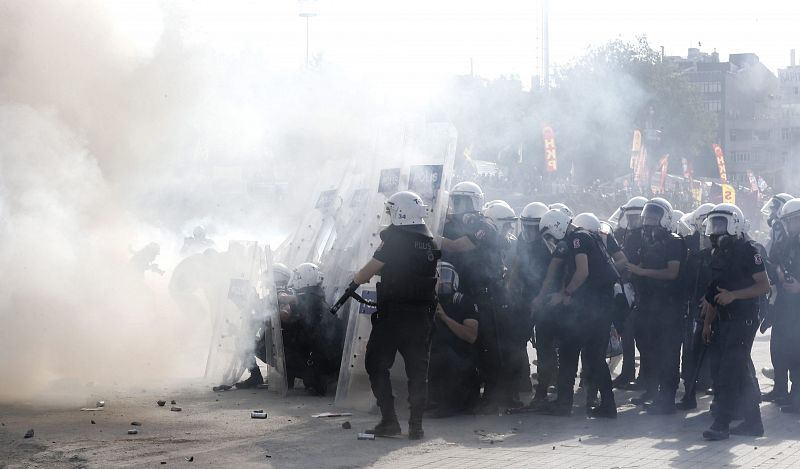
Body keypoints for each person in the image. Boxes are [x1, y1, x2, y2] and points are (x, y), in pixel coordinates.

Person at [352, 191, 440, 440]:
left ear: (401, 213)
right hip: (422, 316)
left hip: (394, 317)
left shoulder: (394, 240)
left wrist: (355, 278)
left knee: (375, 364)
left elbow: (367, 271)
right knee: (417, 373)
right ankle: (416, 425)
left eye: (391, 211)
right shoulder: (430, 241)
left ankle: (390, 421)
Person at [530, 209, 620, 418]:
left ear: (557, 226)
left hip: (591, 307)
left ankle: (563, 404)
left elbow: (582, 272)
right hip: (601, 306)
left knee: (570, 352)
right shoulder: (587, 236)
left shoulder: (577, 239)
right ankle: (608, 405)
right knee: (595, 356)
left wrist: (564, 294)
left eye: (550, 235)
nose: (551, 240)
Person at [440, 182, 513, 412]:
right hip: (468, 293)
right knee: (472, 347)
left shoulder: (485, 225)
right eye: (456, 201)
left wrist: (429, 233)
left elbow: (457, 246)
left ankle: (499, 396)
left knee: (491, 346)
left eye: (464, 201)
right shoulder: (456, 224)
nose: (459, 206)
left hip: (488, 296)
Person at [701, 204, 769, 440]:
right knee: (739, 372)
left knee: (729, 371)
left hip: (744, 319)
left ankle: (721, 424)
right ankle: (753, 423)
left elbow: (763, 285)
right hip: (724, 320)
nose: (716, 230)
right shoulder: (718, 254)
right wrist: (708, 323)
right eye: (714, 224)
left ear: (734, 225)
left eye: (721, 224)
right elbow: (713, 292)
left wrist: (735, 296)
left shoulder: (749, 250)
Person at [626, 198, 686, 414]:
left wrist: (642, 272)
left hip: (669, 306)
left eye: (654, 217)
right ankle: (652, 391)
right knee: (647, 346)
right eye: (647, 217)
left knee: (668, 352)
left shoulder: (674, 241)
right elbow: (644, 263)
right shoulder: (646, 240)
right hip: (648, 303)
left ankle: (667, 398)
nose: (649, 222)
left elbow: (672, 272)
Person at [511, 202, 554, 404]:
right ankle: (521, 382)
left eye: (533, 227)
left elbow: (554, 274)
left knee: (545, 345)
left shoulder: (550, 243)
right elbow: (518, 264)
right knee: (518, 339)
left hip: (545, 299)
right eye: (526, 226)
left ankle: (544, 388)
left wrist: (542, 297)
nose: (528, 231)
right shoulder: (522, 240)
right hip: (525, 296)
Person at [427, 262, 480, 417]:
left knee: (444, 354)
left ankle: (454, 404)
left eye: (446, 277)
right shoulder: (430, 301)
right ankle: (432, 399)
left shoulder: (464, 302)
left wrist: (444, 317)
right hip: (438, 352)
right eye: (439, 278)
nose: (443, 283)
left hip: (461, 357)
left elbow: (471, 336)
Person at [281, 263, 342, 396]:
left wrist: (282, 298)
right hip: (327, 360)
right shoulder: (317, 298)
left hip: (323, 363)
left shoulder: (312, 300)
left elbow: (297, 300)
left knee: (284, 347)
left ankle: (317, 379)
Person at [760, 193, 795, 403]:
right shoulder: (780, 235)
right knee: (778, 346)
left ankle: (791, 391)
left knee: (788, 346)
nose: (772, 215)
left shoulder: (789, 239)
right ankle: (780, 387)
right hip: (779, 297)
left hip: (790, 300)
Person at [611, 196, 648, 389]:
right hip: (628, 289)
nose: (633, 221)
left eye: (636, 217)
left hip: (641, 290)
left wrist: (631, 272)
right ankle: (629, 373)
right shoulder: (628, 234)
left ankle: (643, 376)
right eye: (630, 217)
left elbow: (643, 262)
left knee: (640, 337)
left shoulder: (646, 236)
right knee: (627, 334)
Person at [771, 198, 800, 413]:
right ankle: (793, 395)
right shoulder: (790, 242)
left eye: (791, 221)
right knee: (790, 352)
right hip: (789, 307)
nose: (788, 226)